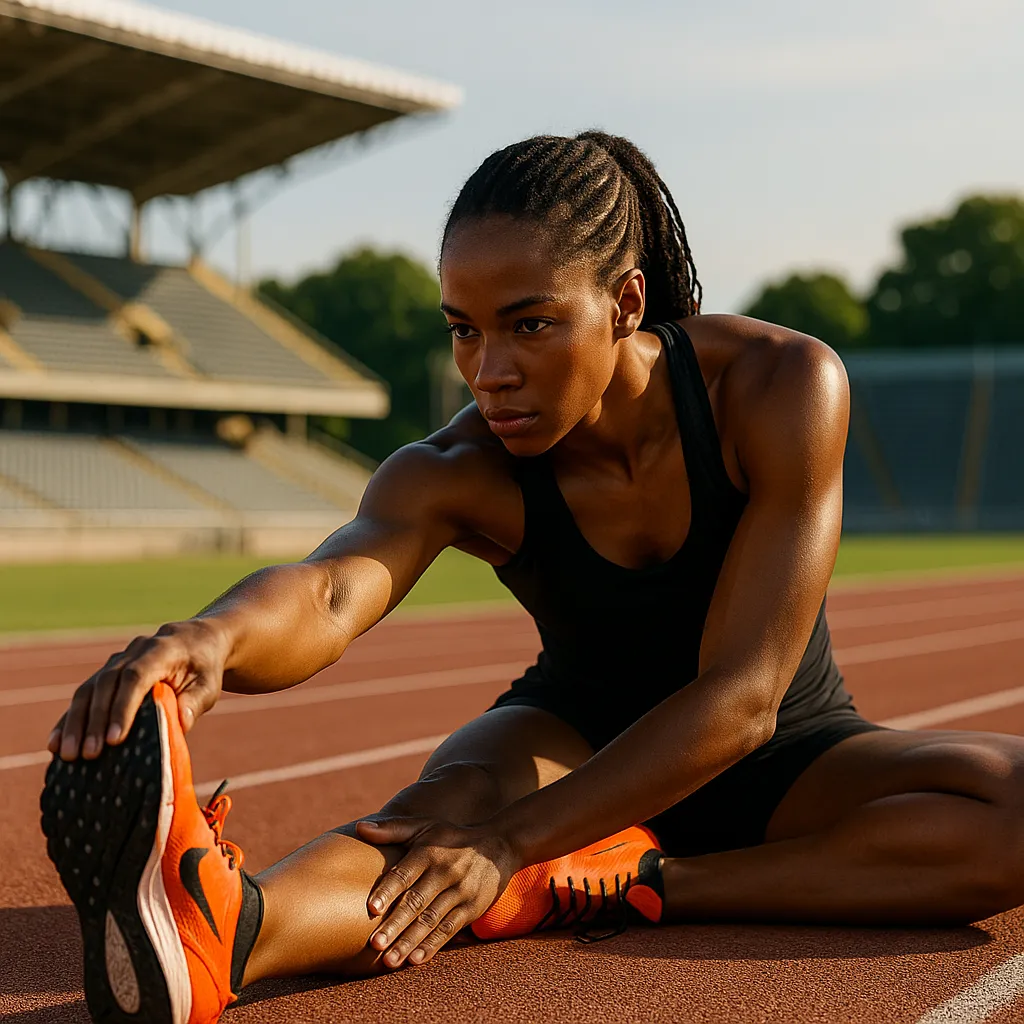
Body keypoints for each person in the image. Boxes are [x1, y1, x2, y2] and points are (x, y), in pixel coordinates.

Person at [42, 132, 1024, 1024]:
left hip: (784, 752)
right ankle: (231, 930)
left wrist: (519, 846)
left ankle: (644, 877)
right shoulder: (456, 470)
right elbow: (331, 589)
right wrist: (208, 638)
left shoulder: (777, 387)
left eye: (528, 325)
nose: (489, 369)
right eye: (463, 328)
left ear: (624, 303)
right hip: (572, 730)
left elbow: (742, 701)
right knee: (450, 803)